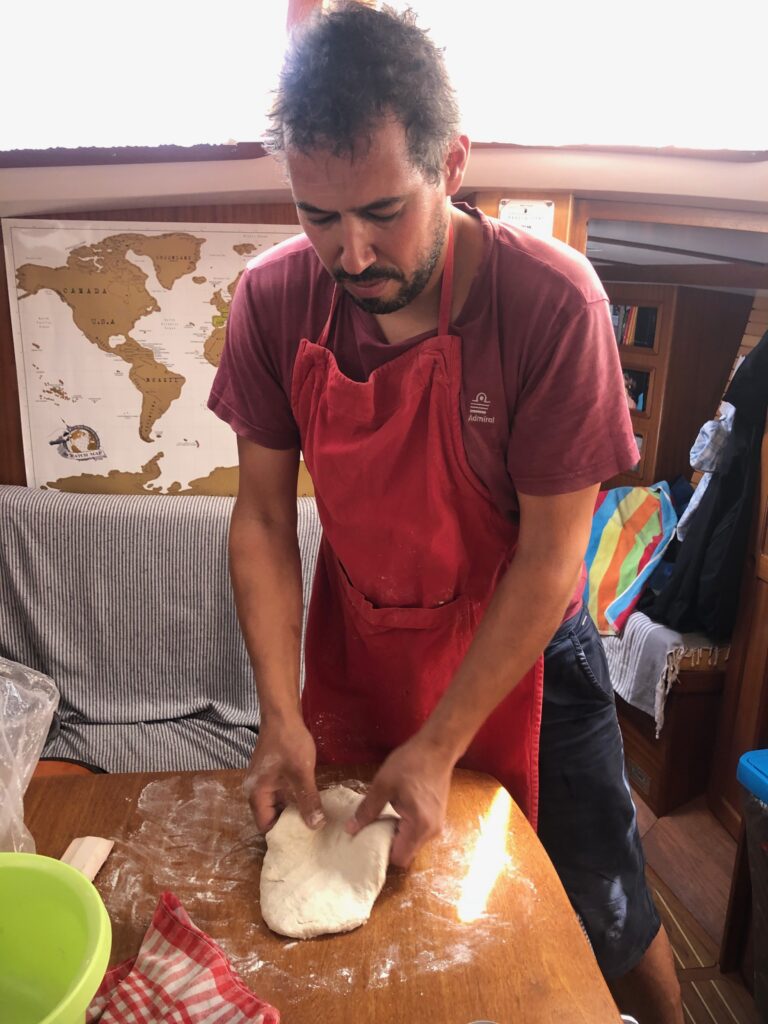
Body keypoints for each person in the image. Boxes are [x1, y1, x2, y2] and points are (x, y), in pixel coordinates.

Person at [208, 4, 683, 1020]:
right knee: (394, 919)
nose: (350, 254)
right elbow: (263, 519)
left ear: (451, 163)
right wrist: (279, 712)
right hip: (364, 645)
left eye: (383, 211)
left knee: (607, 916)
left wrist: (438, 745)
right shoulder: (273, 299)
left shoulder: (551, 303)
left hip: (529, 656)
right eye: (318, 217)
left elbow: (551, 557)